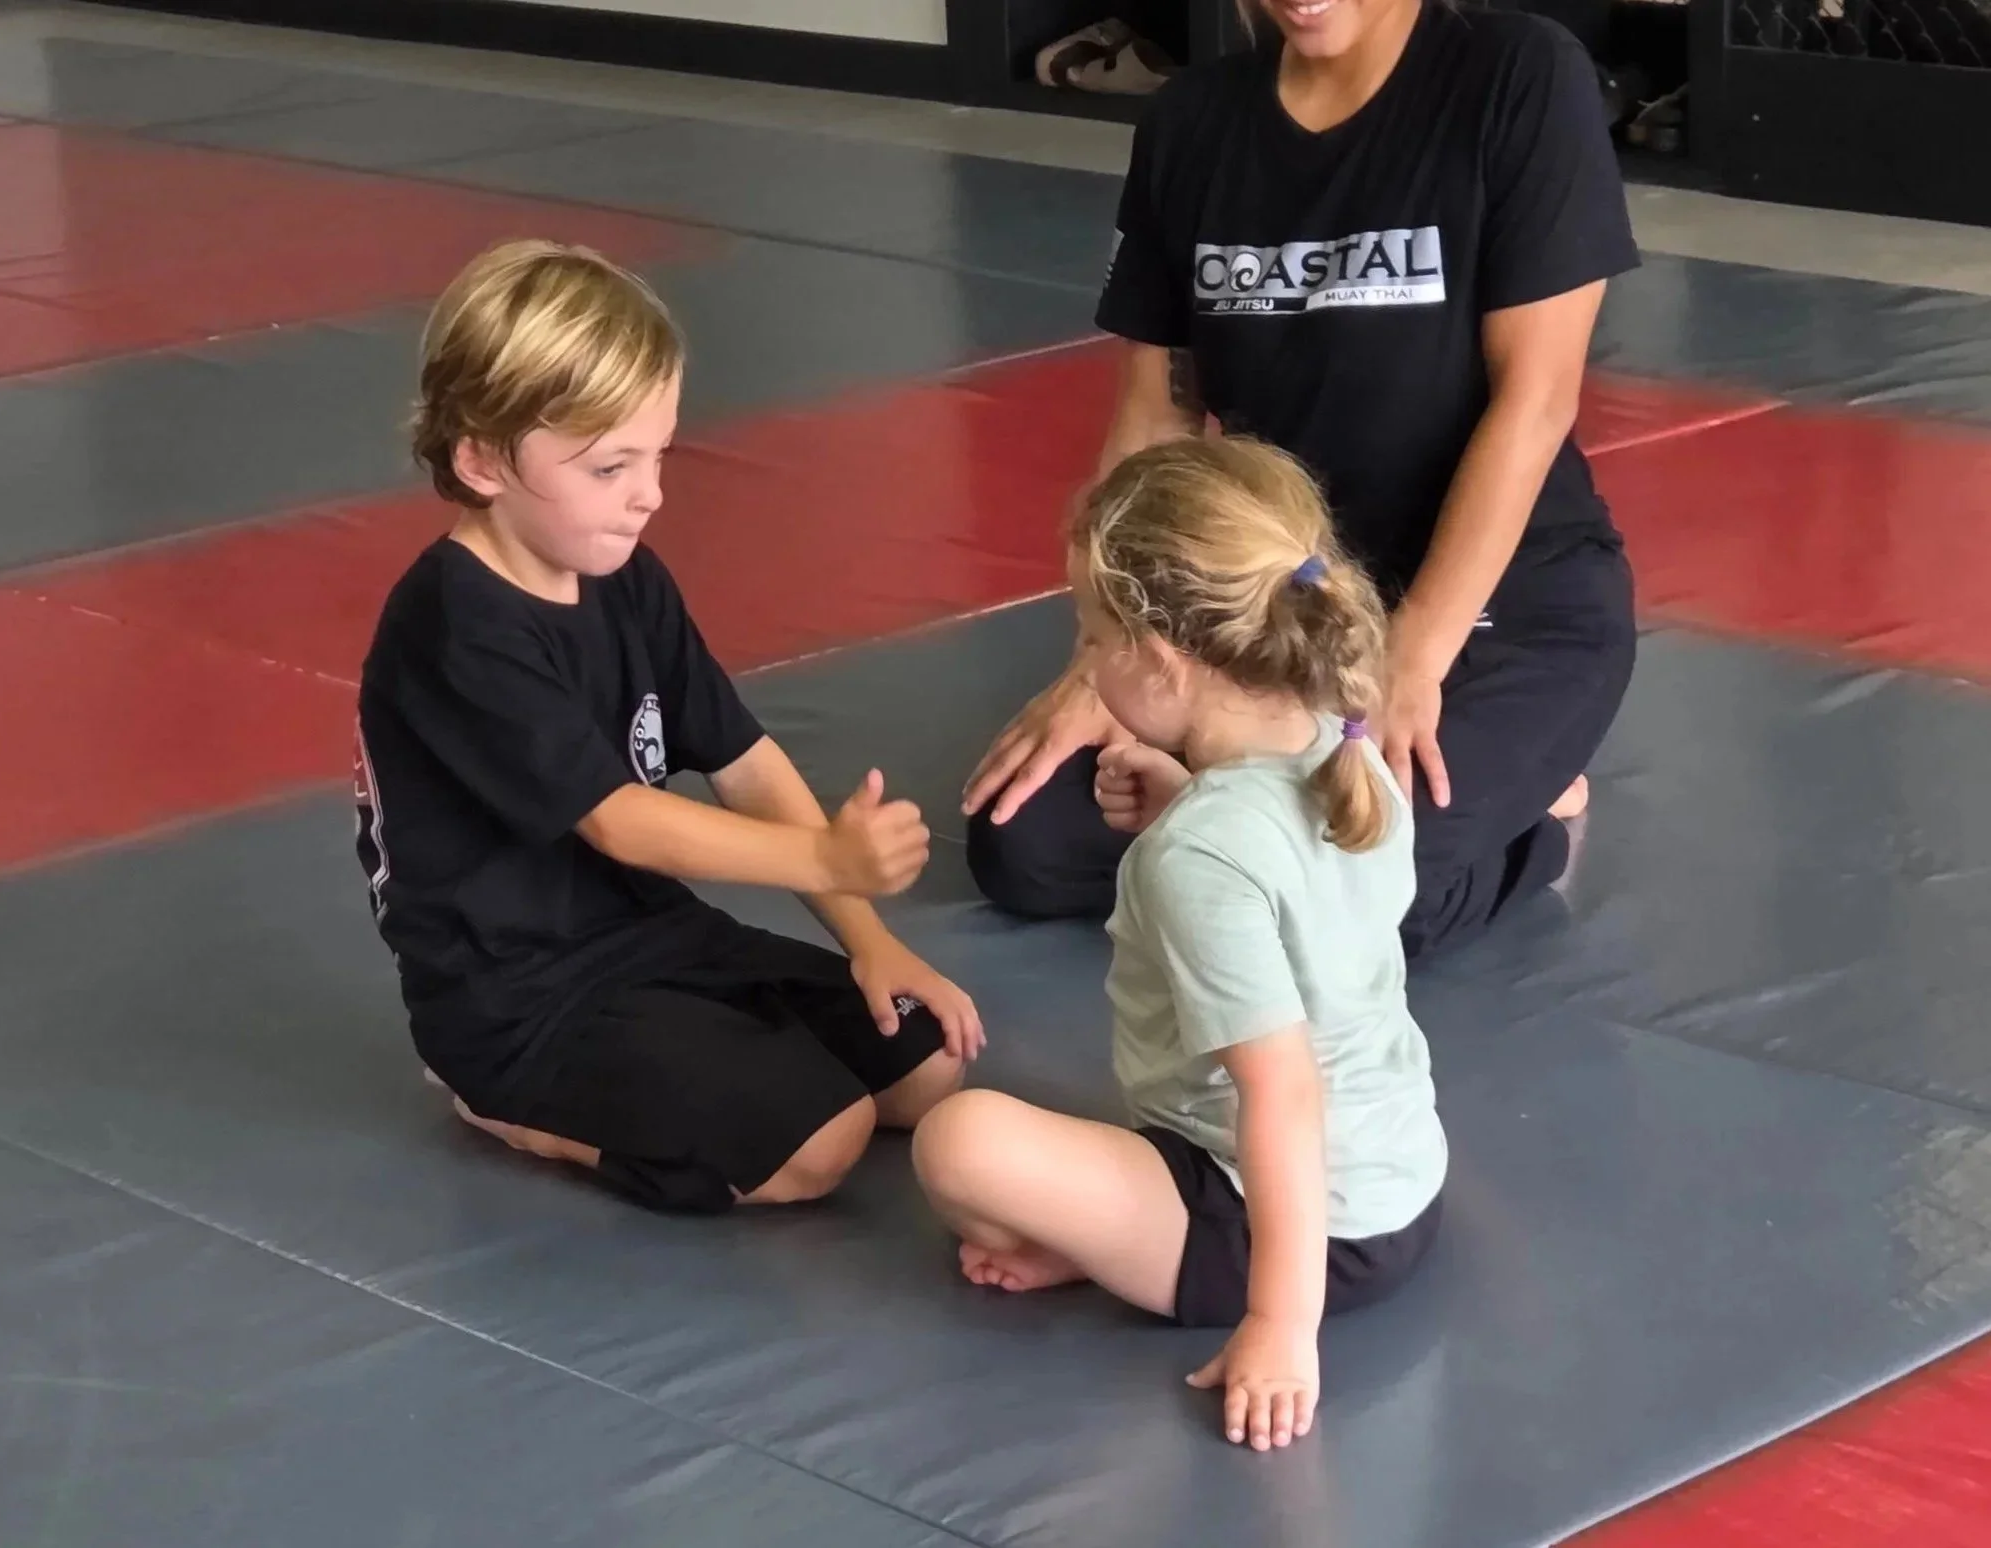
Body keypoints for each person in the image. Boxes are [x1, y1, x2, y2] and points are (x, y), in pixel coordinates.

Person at [963, 0, 1639, 960]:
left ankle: (1534, 819)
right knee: (1023, 846)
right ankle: (1244, 820)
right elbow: (1155, 416)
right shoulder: (1194, 122)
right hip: (1274, 603)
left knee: (1373, 894)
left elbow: (1534, 402)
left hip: (1500, 605)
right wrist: (1108, 655)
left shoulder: (1516, 77)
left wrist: (1411, 663)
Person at [354, 240, 981, 1214]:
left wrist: (869, 938)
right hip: (521, 1000)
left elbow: (741, 759)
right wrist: (824, 859)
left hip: (654, 940)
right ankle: (503, 1105)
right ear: (481, 460)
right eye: (610, 466)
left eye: (657, 455)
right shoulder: (456, 623)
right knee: (820, 1145)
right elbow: (622, 823)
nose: (650, 493)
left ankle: (710, 1055)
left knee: (926, 1059)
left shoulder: (624, 577)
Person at [914, 438, 1448, 1451]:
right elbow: (1299, 889)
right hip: (1396, 1187)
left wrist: (1280, 1326)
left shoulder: (1203, 857)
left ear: (1157, 662)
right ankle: (1118, 1244)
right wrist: (1185, 796)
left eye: (1089, 633)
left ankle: (1134, 1254)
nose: (1084, 652)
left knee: (960, 1145)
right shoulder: (1345, 739)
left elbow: (1280, 1092)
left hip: (1293, 1236)